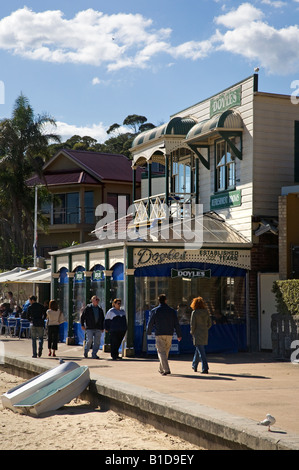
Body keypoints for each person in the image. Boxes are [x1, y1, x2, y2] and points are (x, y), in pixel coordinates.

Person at [147, 294, 182, 376]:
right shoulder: (172, 311)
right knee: (165, 352)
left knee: (161, 352)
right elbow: (176, 323)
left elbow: (151, 322)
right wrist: (179, 334)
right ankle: (161, 369)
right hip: (169, 333)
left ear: (159, 301)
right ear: (166, 300)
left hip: (159, 333)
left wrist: (149, 331)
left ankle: (166, 369)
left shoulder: (155, 310)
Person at [190, 296, 212, 374]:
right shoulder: (206, 312)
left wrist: (192, 332)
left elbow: (193, 324)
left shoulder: (194, 312)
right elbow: (210, 323)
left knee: (201, 351)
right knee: (199, 348)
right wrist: (205, 328)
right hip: (204, 332)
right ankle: (194, 365)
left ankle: (205, 367)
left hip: (197, 333)